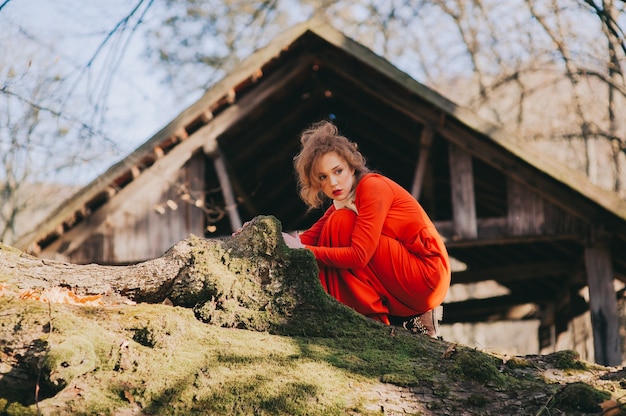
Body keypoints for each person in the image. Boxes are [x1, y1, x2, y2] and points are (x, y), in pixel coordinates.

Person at [282, 120, 451, 338]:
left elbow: (359, 256)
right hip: (406, 289)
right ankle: (366, 316)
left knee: (340, 225)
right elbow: (306, 240)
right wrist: (264, 236)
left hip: (427, 275)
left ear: (352, 167)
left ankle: (368, 319)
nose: (333, 183)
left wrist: (303, 250)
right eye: (323, 177)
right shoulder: (340, 205)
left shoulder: (372, 187)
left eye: (338, 171)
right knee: (334, 227)